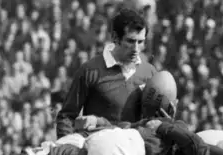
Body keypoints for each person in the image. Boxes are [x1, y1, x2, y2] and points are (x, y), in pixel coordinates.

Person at [55, 8, 157, 138]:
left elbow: (156, 122)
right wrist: (67, 150)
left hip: (136, 154)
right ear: (115, 37)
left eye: (140, 42)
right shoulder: (90, 71)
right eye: (130, 41)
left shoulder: (150, 73)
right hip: (98, 153)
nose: (136, 48)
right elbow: (66, 117)